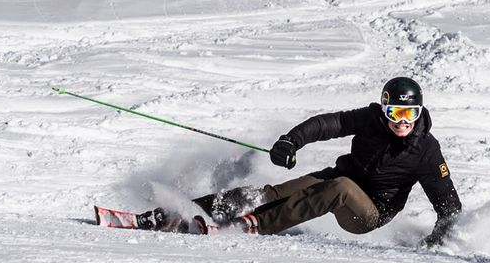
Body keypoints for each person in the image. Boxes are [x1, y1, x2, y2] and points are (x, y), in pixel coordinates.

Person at [138, 77, 461, 245]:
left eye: (409, 114)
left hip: (370, 214)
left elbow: (447, 201)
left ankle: (255, 226)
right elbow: (327, 124)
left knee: (340, 186)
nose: (401, 121)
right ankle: (182, 213)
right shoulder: (369, 119)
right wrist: (290, 141)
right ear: (384, 108)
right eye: (395, 113)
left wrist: (437, 239)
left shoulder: (426, 150)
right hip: (339, 182)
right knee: (271, 193)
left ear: (419, 113)